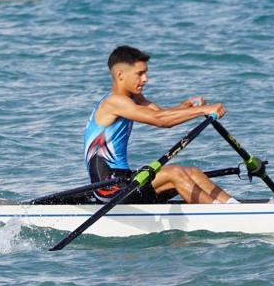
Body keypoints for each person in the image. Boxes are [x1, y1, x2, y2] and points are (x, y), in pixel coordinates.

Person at [83, 45, 236, 205]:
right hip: (108, 189)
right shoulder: (114, 102)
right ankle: (218, 213)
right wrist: (203, 110)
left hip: (124, 179)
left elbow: (160, 113)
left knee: (193, 173)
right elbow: (160, 120)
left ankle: (235, 207)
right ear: (120, 75)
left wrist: (187, 107)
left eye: (145, 73)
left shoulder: (134, 98)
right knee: (174, 173)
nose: (145, 79)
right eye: (140, 74)